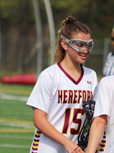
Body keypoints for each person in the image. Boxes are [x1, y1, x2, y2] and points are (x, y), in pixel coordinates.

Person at [26, 16, 98, 153]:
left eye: (88, 45)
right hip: (46, 149)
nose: (86, 50)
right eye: (80, 45)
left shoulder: (91, 76)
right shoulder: (50, 75)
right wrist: (67, 143)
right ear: (64, 44)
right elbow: (38, 119)